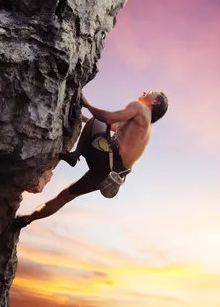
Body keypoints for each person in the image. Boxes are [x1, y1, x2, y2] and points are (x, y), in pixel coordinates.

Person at [12, 90, 169, 230]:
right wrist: (85, 118)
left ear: (155, 102)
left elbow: (106, 119)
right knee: (66, 196)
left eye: (150, 92)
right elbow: (110, 127)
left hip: (107, 160)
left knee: (100, 119)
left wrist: (87, 104)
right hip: (112, 176)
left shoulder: (139, 107)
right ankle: (27, 220)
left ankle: (75, 155)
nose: (145, 91)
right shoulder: (145, 126)